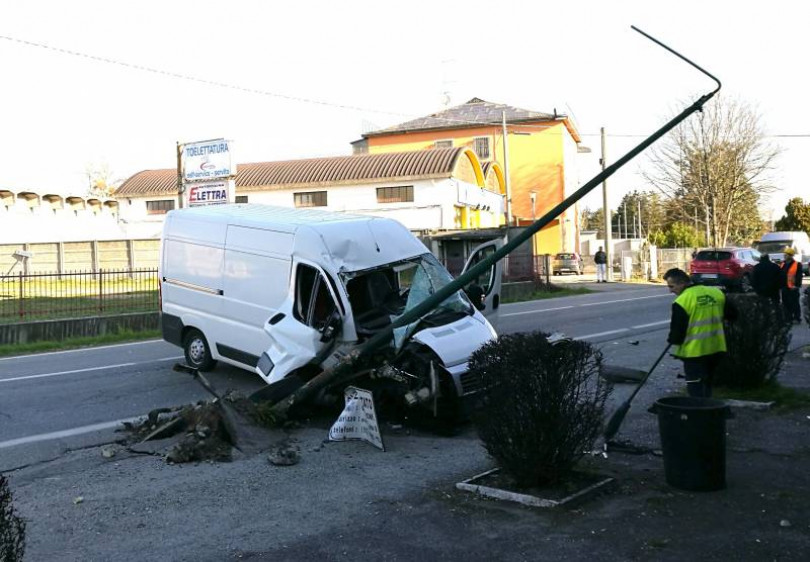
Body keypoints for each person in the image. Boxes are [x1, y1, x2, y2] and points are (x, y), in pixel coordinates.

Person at [664, 268, 735, 398]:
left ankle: (697, 412)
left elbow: (677, 333)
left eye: (672, 286)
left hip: (694, 352)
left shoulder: (682, 301)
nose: (670, 290)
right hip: (716, 348)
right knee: (708, 383)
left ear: (682, 283)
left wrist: (672, 340)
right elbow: (733, 315)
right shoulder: (716, 293)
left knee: (694, 385)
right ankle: (708, 409)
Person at [780, 248, 803, 323]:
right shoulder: (783, 264)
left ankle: (797, 317)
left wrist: (797, 285)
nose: (784, 255)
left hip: (793, 287)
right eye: (784, 254)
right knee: (785, 303)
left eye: (786, 254)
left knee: (795, 303)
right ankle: (788, 318)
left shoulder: (797, 264)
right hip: (784, 287)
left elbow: (799, 276)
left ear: (790, 256)